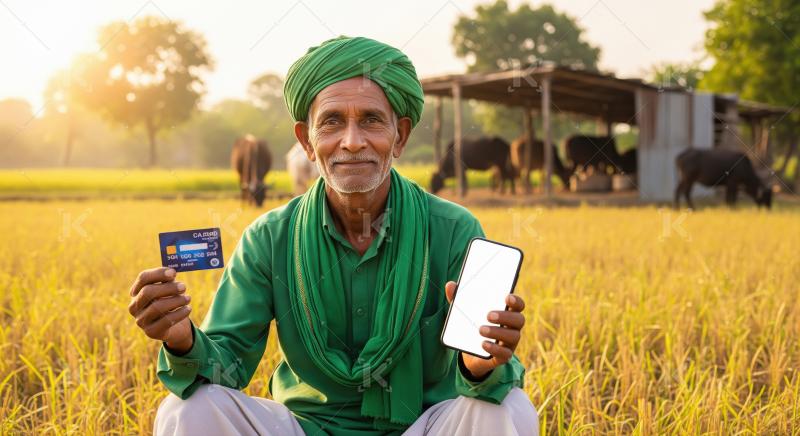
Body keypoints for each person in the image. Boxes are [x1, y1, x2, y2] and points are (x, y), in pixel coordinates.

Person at [128, 35, 539, 436]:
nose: (352, 141)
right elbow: (225, 368)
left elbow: (483, 376)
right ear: (307, 141)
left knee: (509, 406)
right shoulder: (269, 238)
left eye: (372, 120)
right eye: (332, 122)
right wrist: (181, 340)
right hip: (307, 428)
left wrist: (478, 362)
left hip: (423, 425)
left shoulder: (453, 229)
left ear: (401, 136)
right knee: (188, 409)